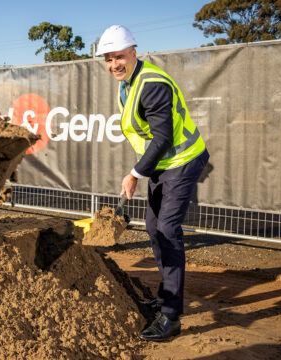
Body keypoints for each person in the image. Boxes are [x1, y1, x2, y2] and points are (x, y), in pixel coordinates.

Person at [96, 25, 209, 341]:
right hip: (162, 164)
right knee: (152, 226)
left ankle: (171, 316)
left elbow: (163, 137)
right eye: (109, 59)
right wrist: (142, 170)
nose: (114, 64)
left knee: (167, 230)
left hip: (182, 161)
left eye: (119, 56)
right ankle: (165, 295)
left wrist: (134, 174)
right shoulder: (129, 82)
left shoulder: (151, 84)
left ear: (133, 52)